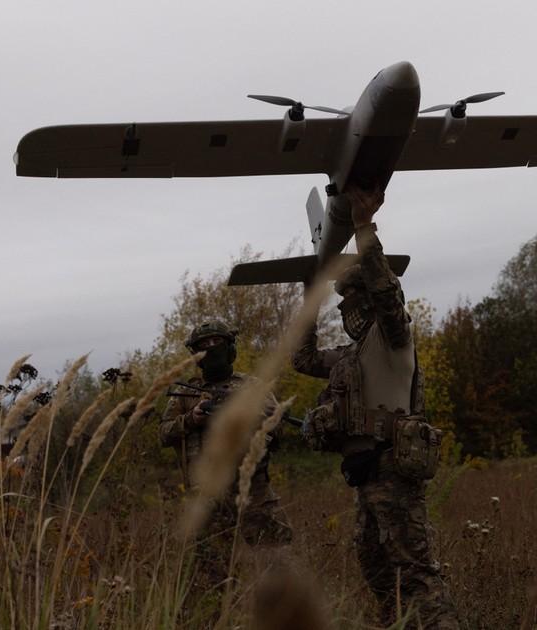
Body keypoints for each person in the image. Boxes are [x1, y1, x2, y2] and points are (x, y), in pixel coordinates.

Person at [292, 185, 460, 629]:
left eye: (350, 297)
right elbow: (303, 358)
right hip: (366, 474)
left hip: (393, 467)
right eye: (341, 300)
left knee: (416, 571)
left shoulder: (392, 338)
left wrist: (364, 229)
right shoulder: (351, 355)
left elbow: (387, 293)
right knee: (379, 572)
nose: (345, 306)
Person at [159, 320, 293, 570]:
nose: (212, 347)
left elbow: (280, 429)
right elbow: (164, 433)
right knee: (211, 571)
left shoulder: (252, 386)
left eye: (217, 342)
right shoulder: (186, 393)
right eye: (205, 344)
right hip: (207, 495)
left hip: (253, 490)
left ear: (230, 347)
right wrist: (192, 419)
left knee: (276, 563)